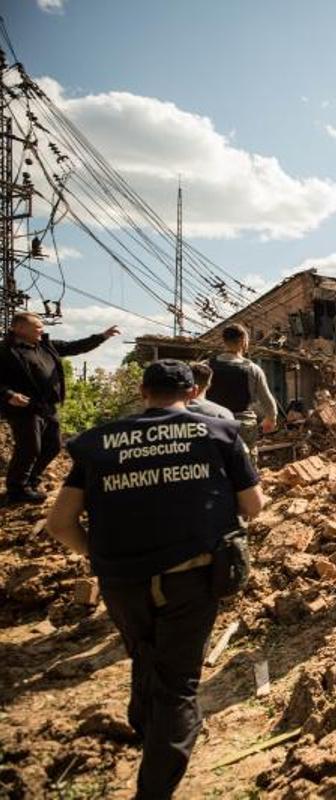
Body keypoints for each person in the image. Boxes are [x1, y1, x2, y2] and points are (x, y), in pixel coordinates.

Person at [46, 359, 264, 800]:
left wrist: (100, 554)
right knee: (180, 684)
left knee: (144, 653)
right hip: (192, 576)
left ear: (143, 392)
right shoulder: (218, 434)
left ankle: (145, 727)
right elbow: (253, 504)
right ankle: (156, 787)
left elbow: (60, 523)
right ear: (191, 393)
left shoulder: (98, 443)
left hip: (121, 581)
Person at [0, 311, 120, 503]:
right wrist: (9, 395)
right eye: (38, 327)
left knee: (53, 446)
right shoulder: (6, 350)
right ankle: (16, 489)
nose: (42, 330)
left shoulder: (46, 346)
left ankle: (30, 482)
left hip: (48, 407)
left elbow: (74, 347)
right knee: (30, 447)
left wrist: (102, 337)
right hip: (24, 408)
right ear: (20, 328)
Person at [203, 324, 278, 458]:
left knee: (217, 465)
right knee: (246, 467)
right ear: (244, 341)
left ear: (223, 341)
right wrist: (271, 419)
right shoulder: (252, 369)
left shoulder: (206, 366)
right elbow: (266, 399)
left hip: (214, 423)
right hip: (243, 425)